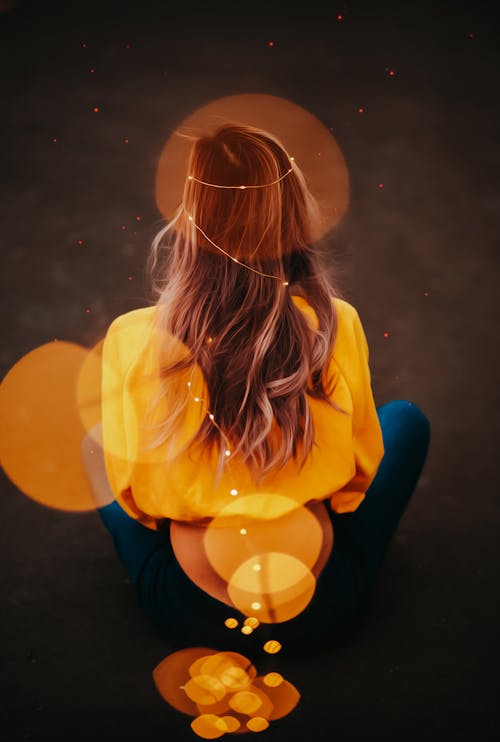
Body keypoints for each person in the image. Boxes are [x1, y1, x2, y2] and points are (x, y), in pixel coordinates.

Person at [81, 122, 430, 655]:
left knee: (97, 442)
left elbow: (136, 500)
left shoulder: (133, 337)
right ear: (295, 215)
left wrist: (208, 485)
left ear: (191, 219)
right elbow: (356, 479)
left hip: (188, 619)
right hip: (322, 611)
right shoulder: (338, 323)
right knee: (405, 419)